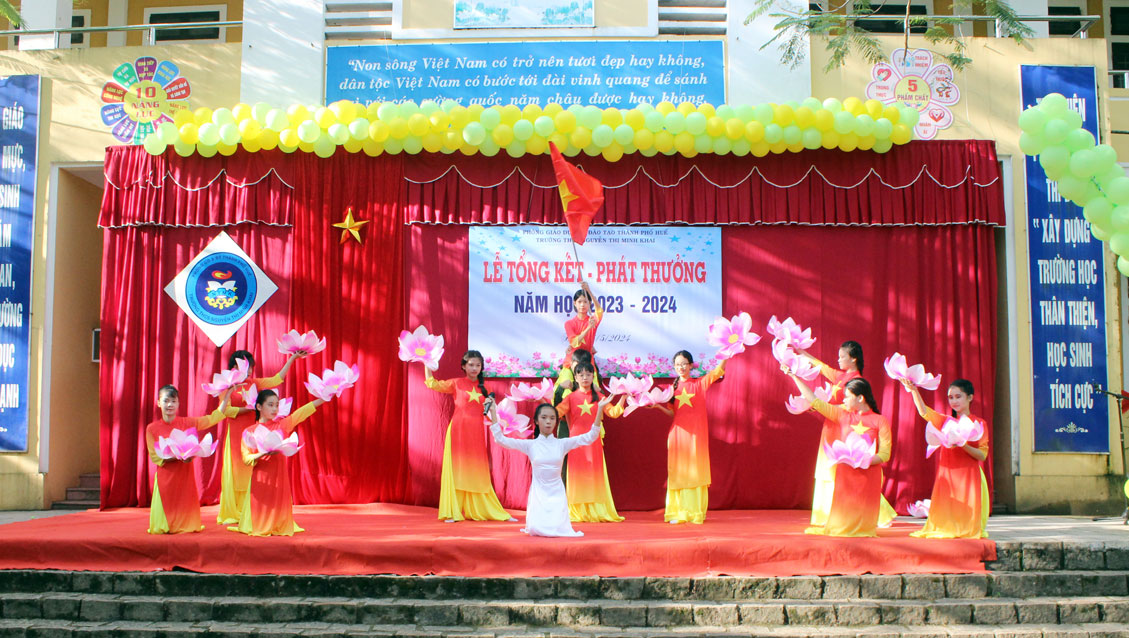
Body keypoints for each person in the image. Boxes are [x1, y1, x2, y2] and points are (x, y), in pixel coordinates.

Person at [797, 341, 896, 528]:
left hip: (843, 428)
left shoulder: (856, 381)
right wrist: (800, 352)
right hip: (831, 425)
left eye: (842, 356)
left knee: (842, 470)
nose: (838, 359)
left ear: (854, 359)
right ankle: (827, 513)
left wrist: (821, 406)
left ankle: (878, 513)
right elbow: (820, 366)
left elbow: (850, 408)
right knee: (828, 470)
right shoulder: (839, 376)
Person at [784, 368, 891, 538]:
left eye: (847, 397)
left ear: (860, 398)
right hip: (846, 473)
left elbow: (885, 454)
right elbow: (815, 401)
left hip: (868, 474)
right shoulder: (842, 415)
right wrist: (793, 376)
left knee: (864, 524)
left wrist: (862, 461)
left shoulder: (880, 420)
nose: (844, 400)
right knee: (841, 524)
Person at [488, 397, 612, 536]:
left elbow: (590, 436)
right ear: (536, 421)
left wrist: (600, 409)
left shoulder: (562, 444)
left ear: (556, 421)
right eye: (544, 417)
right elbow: (500, 439)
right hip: (538, 495)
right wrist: (493, 412)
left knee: (558, 530)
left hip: (557, 494)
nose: (548, 421)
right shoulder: (531, 445)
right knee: (536, 529)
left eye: (552, 418)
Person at [423, 350, 514, 523]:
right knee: (457, 469)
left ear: (481, 367)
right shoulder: (456, 383)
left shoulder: (487, 388)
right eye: (471, 365)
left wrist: (496, 415)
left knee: (477, 469)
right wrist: (426, 362)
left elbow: (490, 415)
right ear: (464, 366)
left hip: (476, 433)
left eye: (477, 365)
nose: (474, 368)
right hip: (458, 431)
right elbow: (432, 384)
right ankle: (454, 511)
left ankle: (488, 510)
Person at [217, 348, 306, 525]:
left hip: (255, 432)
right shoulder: (226, 386)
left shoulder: (254, 383)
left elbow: (277, 379)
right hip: (235, 433)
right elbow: (225, 410)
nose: (249, 370)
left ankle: (252, 508)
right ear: (234, 367)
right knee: (237, 470)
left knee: (254, 469)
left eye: (251, 366)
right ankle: (236, 510)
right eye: (246, 366)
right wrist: (247, 409)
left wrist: (292, 358)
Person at [901, 378, 990, 539]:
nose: (954, 401)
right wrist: (914, 390)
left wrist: (962, 444)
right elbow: (924, 412)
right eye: (950, 397)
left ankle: (965, 528)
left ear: (970, 397)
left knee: (966, 508)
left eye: (958, 396)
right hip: (947, 473)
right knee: (947, 506)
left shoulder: (979, 423)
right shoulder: (945, 422)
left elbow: (982, 455)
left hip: (968, 474)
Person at [230, 389, 326, 536]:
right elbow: (246, 459)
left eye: (276, 405)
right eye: (270, 405)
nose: (275, 409)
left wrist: (323, 398)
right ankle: (261, 524)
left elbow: (301, 413)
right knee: (261, 508)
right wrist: (263, 453)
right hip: (261, 478)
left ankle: (278, 524)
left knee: (279, 502)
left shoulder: (282, 425)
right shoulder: (249, 431)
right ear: (259, 407)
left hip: (279, 476)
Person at [648, 350, 726, 524]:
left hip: (696, 437)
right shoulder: (672, 389)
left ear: (691, 365)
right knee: (679, 473)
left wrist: (727, 354)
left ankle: (693, 512)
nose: (681, 367)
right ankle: (678, 512)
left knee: (695, 472)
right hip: (677, 437)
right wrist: (658, 407)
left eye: (684, 364)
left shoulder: (699, 384)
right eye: (678, 365)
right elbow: (673, 413)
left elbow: (718, 371)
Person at [145, 385, 232, 534]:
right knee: (163, 522)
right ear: (159, 403)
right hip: (166, 475)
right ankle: (166, 525)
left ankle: (185, 524)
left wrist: (227, 394)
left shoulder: (186, 423)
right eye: (166, 401)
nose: (170, 405)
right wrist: (179, 457)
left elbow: (214, 417)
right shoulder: (152, 428)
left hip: (184, 475)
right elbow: (155, 456)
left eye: (173, 401)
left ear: (178, 403)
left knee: (184, 501)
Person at [554, 361, 626, 522]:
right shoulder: (571, 397)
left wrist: (623, 397)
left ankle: (596, 510)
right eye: (581, 374)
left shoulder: (599, 397)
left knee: (595, 475)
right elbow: (556, 413)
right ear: (575, 377)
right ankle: (577, 511)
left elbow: (614, 412)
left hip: (594, 442)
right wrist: (543, 399)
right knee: (577, 474)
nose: (585, 377)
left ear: (593, 377)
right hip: (576, 443)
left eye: (588, 374)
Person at [562, 280, 603, 366]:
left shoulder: (593, 320)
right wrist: (589, 328)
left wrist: (589, 291)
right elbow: (574, 343)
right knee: (566, 375)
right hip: (573, 359)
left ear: (589, 303)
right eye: (579, 302)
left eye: (585, 302)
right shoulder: (569, 323)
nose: (582, 305)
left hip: (588, 359)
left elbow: (599, 310)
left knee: (592, 375)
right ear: (575, 303)